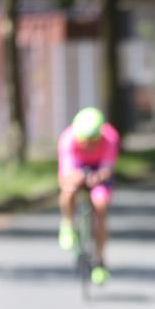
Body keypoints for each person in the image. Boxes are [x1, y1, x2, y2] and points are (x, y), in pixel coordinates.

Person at [57, 107, 120, 284]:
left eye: (92, 140)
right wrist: (77, 178)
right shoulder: (67, 139)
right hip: (76, 169)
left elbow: (108, 168)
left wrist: (97, 177)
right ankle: (67, 225)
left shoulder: (110, 137)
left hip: (99, 172)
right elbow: (65, 174)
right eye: (84, 140)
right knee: (68, 190)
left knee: (100, 206)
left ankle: (100, 262)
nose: (88, 145)